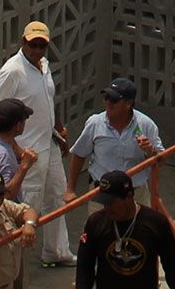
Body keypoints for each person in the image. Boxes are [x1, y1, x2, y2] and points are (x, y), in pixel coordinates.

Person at [0, 20, 75, 265]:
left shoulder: (44, 66)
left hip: (48, 143)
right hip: (29, 150)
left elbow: (48, 102)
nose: (37, 50)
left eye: (42, 46)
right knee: (29, 204)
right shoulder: (12, 71)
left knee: (57, 196)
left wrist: (58, 130)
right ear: (23, 42)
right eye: (33, 45)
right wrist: (16, 149)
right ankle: (18, 263)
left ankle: (56, 252)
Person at [70, 77, 164, 208]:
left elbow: (161, 161)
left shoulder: (146, 125)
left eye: (114, 100)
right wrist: (70, 190)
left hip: (135, 194)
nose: (108, 102)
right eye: (106, 97)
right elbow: (79, 154)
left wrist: (151, 151)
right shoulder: (95, 123)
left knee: (139, 228)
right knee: (100, 228)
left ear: (129, 103)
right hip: (102, 192)